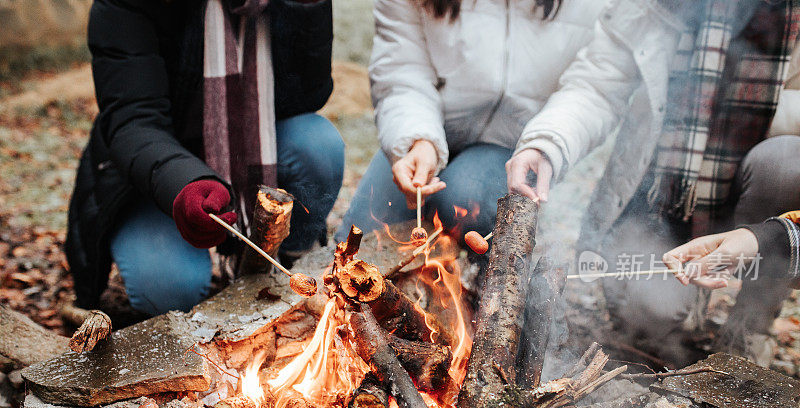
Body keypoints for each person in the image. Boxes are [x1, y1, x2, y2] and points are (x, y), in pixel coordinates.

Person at [515, 0, 800, 365]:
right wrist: (547, 143)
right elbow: (597, 85)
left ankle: (751, 323)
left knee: (788, 165)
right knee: (650, 319)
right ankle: (677, 291)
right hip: (663, 198)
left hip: (756, 194)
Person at [66, 0, 344, 316]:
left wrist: (304, 10)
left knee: (318, 145)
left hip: (258, 141)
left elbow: (307, 97)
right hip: (155, 170)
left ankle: (292, 266)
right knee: (167, 286)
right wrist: (184, 183)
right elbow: (133, 120)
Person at [336, 0, 609, 243]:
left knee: (460, 199)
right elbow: (401, 69)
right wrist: (417, 139)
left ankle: (481, 280)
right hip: (428, 126)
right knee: (356, 247)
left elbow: (596, 84)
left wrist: (545, 143)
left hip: (515, 145)